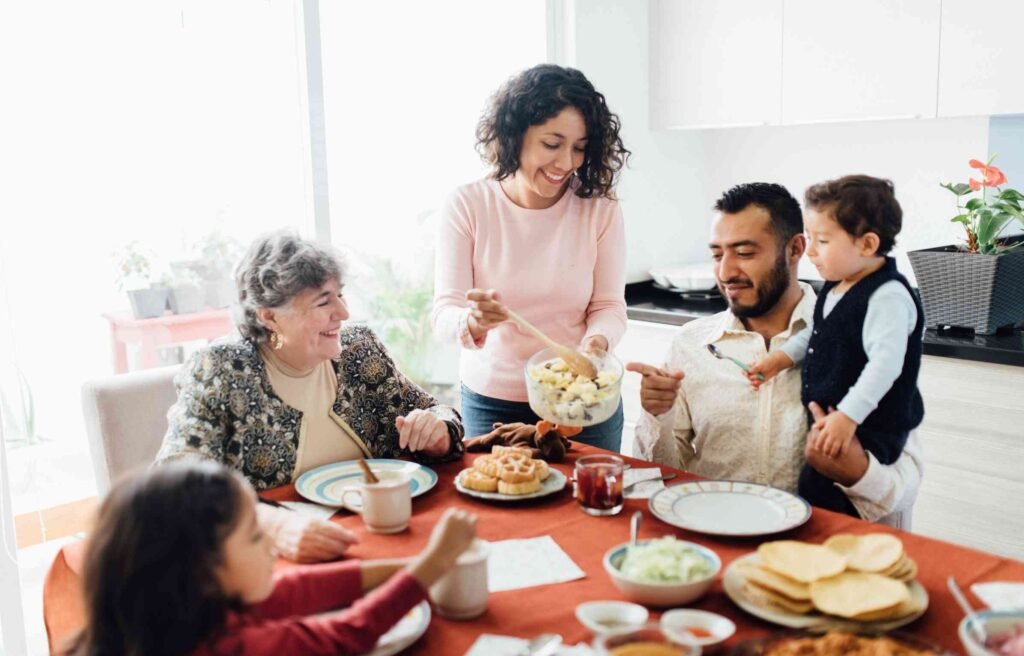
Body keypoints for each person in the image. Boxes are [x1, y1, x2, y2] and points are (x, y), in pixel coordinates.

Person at [157, 231, 465, 562]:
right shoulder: (221, 369)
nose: (344, 312)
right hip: (277, 555)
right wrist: (273, 527)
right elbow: (177, 484)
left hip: (388, 536)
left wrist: (438, 432)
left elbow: (438, 413)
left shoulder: (360, 350)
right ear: (269, 316)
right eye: (323, 301)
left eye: (340, 295)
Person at [629, 183, 923, 527]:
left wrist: (857, 473)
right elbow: (658, 477)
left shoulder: (861, 336)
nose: (725, 273)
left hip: (818, 547)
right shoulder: (690, 344)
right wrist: (656, 414)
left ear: (796, 248)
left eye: (745, 253)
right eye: (717, 254)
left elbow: (906, 486)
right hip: (714, 536)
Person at [67, 461, 477, 656]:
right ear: (200, 568)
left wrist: (413, 563)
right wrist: (432, 566)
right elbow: (345, 635)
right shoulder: (239, 648)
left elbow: (290, 590)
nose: (271, 546)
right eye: (254, 536)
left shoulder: (168, 620)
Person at [431, 63, 631, 451]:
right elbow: (444, 314)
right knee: (500, 505)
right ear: (514, 135)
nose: (567, 163)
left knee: (590, 508)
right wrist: (471, 321)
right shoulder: (468, 204)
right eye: (552, 145)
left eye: (579, 147)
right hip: (493, 402)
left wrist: (595, 345)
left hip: (581, 401)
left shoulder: (599, 207)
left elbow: (609, 305)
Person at [746, 176, 924, 516]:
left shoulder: (888, 296)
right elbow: (817, 332)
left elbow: (885, 366)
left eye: (822, 240)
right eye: (810, 238)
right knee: (814, 486)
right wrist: (780, 359)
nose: (810, 250)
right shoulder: (836, 285)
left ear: (868, 244)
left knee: (842, 497)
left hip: (872, 424)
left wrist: (848, 417)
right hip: (836, 418)